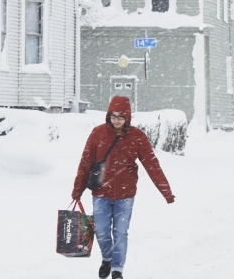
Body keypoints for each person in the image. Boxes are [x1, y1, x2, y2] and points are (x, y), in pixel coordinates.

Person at [71, 96, 175, 279]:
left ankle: (117, 269)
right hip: (101, 193)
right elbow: (85, 163)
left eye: (121, 116)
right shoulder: (98, 133)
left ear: (127, 117)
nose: (117, 120)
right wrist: (77, 190)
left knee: (120, 233)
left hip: (125, 195)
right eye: (113, 116)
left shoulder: (137, 137)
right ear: (108, 115)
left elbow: (152, 165)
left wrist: (166, 192)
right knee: (101, 231)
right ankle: (107, 258)